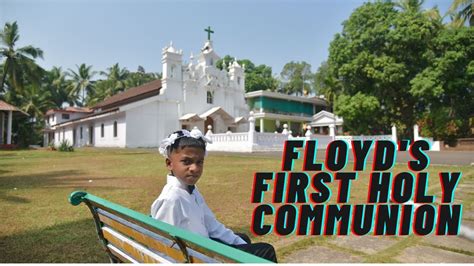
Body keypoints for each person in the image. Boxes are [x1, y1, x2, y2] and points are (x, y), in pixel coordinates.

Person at [151, 128, 277, 263]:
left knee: (243, 239)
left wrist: (240, 243)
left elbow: (212, 225)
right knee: (266, 250)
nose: (195, 168)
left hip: (203, 249)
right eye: (186, 162)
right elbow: (163, 247)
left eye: (199, 162)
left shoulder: (191, 190)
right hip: (199, 258)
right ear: (169, 163)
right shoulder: (171, 199)